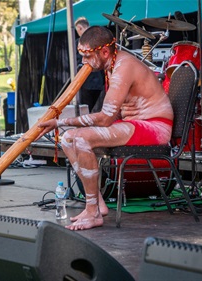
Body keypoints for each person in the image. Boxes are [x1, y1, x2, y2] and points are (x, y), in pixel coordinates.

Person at [37, 26, 174, 231]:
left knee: (82, 139)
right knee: (67, 139)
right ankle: (96, 202)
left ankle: (92, 212)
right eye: (81, 55)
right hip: (135, 124)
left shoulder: (124, 66)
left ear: (104, 52)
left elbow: (104, 119)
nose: (84, 61)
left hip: (154, 126)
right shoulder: (111, 65)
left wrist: (59, 122)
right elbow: (111, 115)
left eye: (87, 55)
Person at [75, 17, 105, 113]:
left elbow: (78, 60)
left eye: (77, 30)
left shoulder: (80, 42)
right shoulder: (99, 39)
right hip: (100, 81)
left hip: (86, 80)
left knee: (87, 108)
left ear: (80, 28)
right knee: (96, 108)